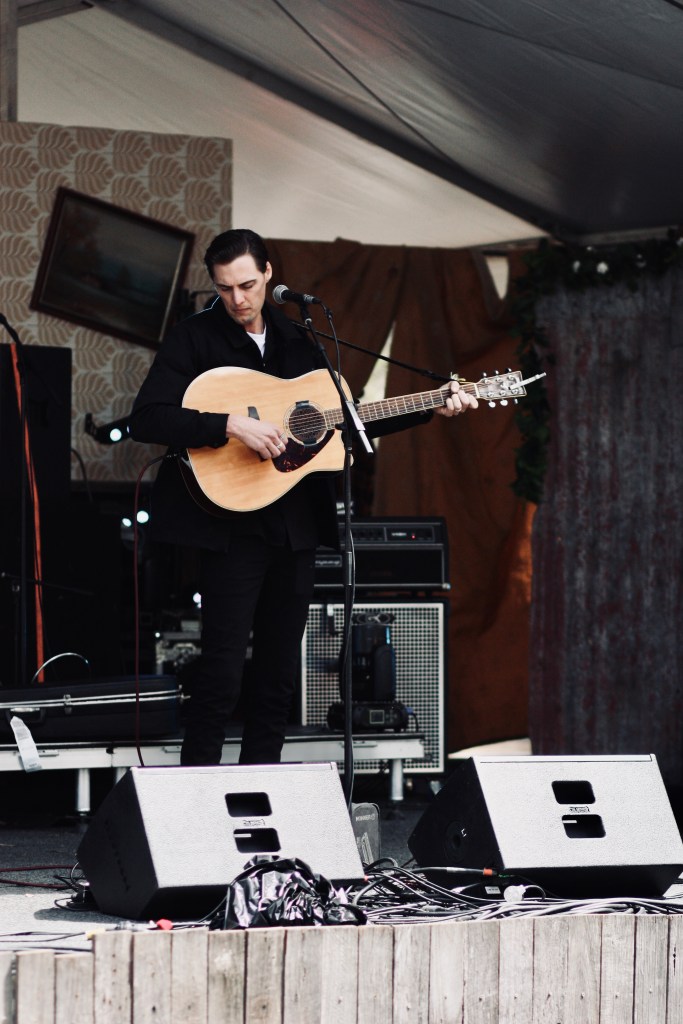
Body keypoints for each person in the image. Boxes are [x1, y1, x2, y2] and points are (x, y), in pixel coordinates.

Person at [129, 228, 478, 766]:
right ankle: (196, 793)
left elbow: (350, 422)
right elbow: (147, 418)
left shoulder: (299, 339)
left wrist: (431, 406)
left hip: (295, 527)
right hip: (229, 528)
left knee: (277, 677)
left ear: (269, 273)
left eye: (248, 285)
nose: (238, 299)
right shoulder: (193, 338)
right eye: (225, 288)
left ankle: (262, 790)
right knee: (221, 673)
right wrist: (229, 424)